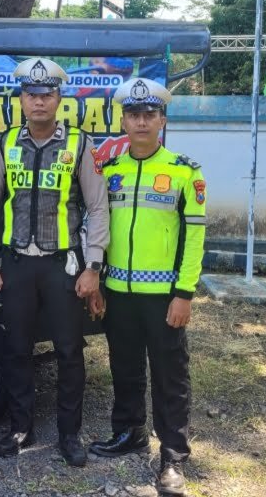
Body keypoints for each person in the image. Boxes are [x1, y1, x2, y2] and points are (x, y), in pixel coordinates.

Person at [0, 57, 109, 467]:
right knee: (16, 349)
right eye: (31, 95)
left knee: (69, 349)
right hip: (16, 263)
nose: (38, 102)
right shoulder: (6, 142)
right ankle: (20, 428)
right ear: (21, 99)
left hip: (62, 266)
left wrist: (93, 267)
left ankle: (70, 435)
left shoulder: (78, 144)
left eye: (46, 95)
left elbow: (99, 207)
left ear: (58, 99)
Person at [88, 77, 206, 496]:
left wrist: (184, 293)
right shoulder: (109, 172)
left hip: (164, 298)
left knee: (170, 376)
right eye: (134, 115)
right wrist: (98, 280)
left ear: (162, 119)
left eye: (149, 115)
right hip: (118, 293)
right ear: (122, 119)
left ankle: (173, 457)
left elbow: (194, 238)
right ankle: (129, 433)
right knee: (125, 366)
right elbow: (97, 229)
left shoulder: (183, 172)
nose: (141, 122)